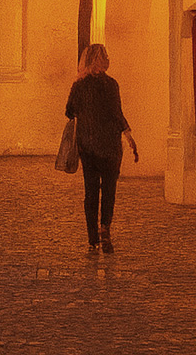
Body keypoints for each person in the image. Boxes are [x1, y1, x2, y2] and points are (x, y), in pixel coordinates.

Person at [65, 43, 139, 254]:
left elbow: (69, 112)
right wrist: (128, 134)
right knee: (108, 191)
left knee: (90, 192)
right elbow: (117, 113)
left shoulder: (79, 86)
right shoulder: (111, 84)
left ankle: (92, 239)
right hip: (110, 147)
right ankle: (105, 230)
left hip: (87, 146)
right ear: (104, 60)